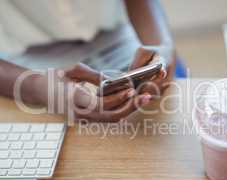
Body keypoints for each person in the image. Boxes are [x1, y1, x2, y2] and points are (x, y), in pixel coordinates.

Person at [0, 0, 176, 122]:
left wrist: (163, 48)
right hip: (22, 62)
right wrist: (38, 87)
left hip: (120, 36)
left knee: (163, 109)